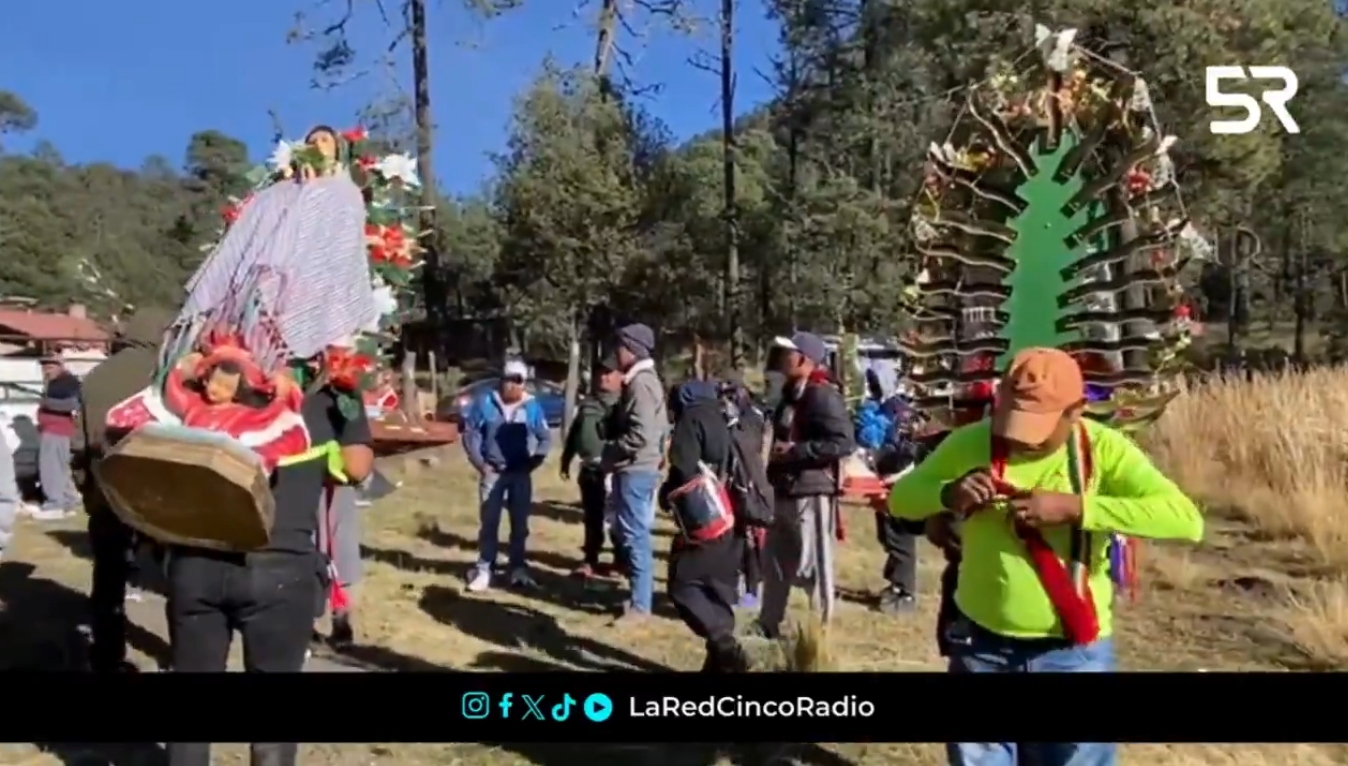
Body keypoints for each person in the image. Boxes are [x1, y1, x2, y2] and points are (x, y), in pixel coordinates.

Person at [887, 347, 1203, 766]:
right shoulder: (971, 443)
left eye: (1036, 426)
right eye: (1012, 419)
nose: (1019, 437)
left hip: (1072, 656)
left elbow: (1184, 521)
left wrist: (1077, 509)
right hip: (983, 648)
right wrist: (948, 494)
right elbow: (901, 501)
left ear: (1076, 411)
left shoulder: (1104, 451)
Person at [165, 370, 374, 766]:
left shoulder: (204, 379)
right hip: (282, 566)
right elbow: (358, 468)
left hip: (197, 560)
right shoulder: (330, 390)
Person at [71, 308, 173, 672]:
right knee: (175, 575)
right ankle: (181, 651)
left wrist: (87, 488)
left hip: (107, 490)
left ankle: (107, 651)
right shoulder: (166, 376)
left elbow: (79, 443)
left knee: (108, 576)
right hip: (159, 495)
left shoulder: (96, 376)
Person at [756, 332, 855, 637]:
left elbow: (843, 442)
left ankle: (819, 631)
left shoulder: (822, 394)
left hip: (811, 491)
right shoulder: (790, 393)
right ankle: (767, 624)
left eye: (790, 354)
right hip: (785, 487)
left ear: (805, 359)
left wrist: (798, 451)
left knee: (814, 565)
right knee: (774, 562)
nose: (784, 359)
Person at [659, 380, 746, 671]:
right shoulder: (721, 416)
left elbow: (683, 467)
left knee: (683, 584)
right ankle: (719, 662)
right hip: (728, 515)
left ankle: (726, 646)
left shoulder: (692, 417)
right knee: (712, 586)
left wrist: (667, 492)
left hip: (703, 516)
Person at [461, 360, 553, 592]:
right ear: (501, 380)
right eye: (508, 379)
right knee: (489, 522)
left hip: (520, 474)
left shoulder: (532, 406)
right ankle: (484, 569)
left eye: (517, 380)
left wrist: (534, 462)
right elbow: (471, 433)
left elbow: (545, 437)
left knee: (519, 524)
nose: (512, 385)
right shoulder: (485, 402)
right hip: (493, 472)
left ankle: (517, 568)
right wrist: (480, 464)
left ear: (524, 383)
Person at [599, 324, 667, 621]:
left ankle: (641, 606)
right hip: (639, 467)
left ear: (631, 349)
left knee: (635, 535)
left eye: (620, 346)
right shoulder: (643, 381)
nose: (617, 352)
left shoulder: (641, 384)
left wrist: (611, 451)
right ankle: (637, 598)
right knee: (632, 533)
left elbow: (641, 435)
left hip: (636, 468)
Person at [560, 361, 624, 579]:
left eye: (609, 373)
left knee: (616, 518)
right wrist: (565, 460)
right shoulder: (588, 404)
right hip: (589, 469)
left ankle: (620, 560)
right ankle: (590, 559)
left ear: (620, 377)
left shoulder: (624, 403)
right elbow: (574, 434)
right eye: (600, 374)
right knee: (592, 517)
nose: (603, 378)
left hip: (615, 470)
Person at [719, 379, 767, 608]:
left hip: (751, 484)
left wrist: (734, 424)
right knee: (734, 539)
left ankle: (752, 590)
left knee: (751, 540)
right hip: (734, 483)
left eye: (732, 394)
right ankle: (735, 586)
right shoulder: (732, 418)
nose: (728, 400)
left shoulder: (754, 417)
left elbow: (751, 448)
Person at [34, 356, 82, 520]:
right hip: (53, 430)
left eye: (50, 365)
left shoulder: (68, 382)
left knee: (51, 468)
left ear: (60, 366)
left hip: (58, 430)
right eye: (44, 366)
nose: (47, 369)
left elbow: (73, 404)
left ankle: (55, 504)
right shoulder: (54, 382)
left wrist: (48, 403)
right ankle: (70, 500)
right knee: (61, 468)